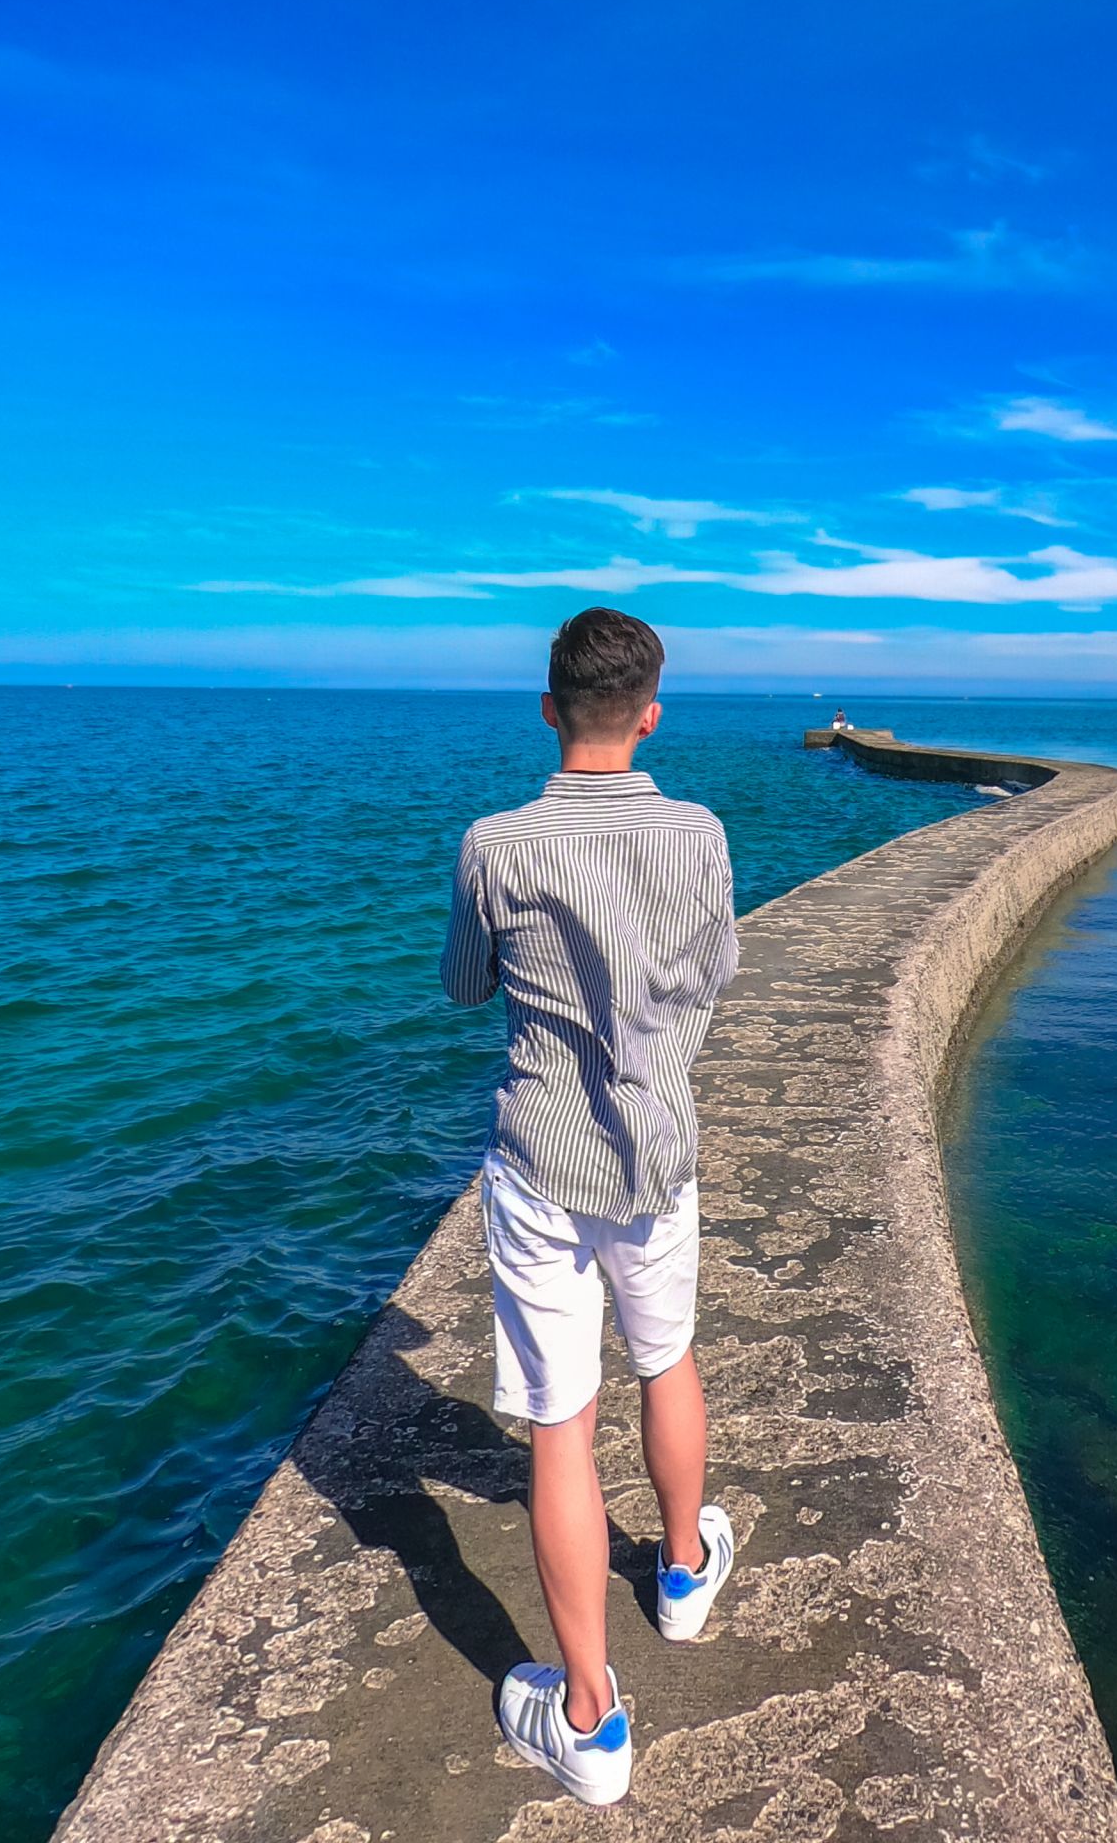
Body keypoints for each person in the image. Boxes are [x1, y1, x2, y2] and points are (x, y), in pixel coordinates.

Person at [441, 608, 739, 1806]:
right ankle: (680, 1575)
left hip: (541, 1164)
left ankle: (589, 1718)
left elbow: (469, 986)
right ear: (652, 709)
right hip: (656, 1159)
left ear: (551, 706)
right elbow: (714, 973)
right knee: (668, 1362)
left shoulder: (496, 843)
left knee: (561, 1425)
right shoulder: (701, 834)